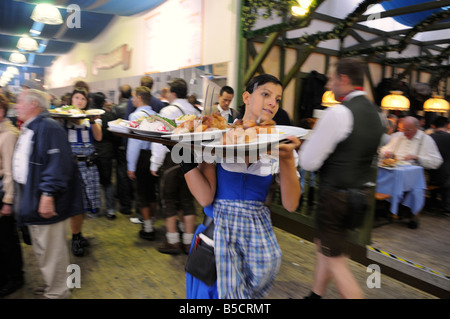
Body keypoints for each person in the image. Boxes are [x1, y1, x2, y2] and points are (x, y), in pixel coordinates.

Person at [183, 74, 301, 299]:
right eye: (265, 94)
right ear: (246, 97)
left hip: (255, 246)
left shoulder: (281, 143)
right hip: (214, 243)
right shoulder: (218, 136)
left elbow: (291, 204)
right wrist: (183, 159)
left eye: (277, 99)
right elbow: (205, 198)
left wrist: (286, 160)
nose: (272, 103)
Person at [299, 58, 384, 299]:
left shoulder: (338, 114)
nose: (328, 84)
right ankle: (315, 295)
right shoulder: (376, 114)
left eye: (331, 79)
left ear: (343, 79)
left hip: (336, 196)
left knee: (335, 259)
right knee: (328, 249)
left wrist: (304, 147)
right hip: (361, 195)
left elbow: (308, 162)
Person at [12, 89, 84, 299]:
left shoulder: (48, 127)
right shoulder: (33, 127)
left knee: (52, 250)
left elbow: (57, 165)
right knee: (43, 248)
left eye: (19, 102)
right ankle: (53, 284)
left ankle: (58, 293)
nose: (16, 106)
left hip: (45, 198)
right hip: (33, 196)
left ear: (33, 104)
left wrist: (48, 194)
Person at [150, 78, 201, 254]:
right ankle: (188, 242)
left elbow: (159, 138)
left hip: (172, 159)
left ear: (172, 93)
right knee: (187, 199)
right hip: (191, 159)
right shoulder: (195, 111)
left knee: (169, 199)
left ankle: (173, 241)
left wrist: (155, 163)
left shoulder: (167, 111)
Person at [62, 87, 102, 256]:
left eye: (82, 99)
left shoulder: (92, 118)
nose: (79, 101)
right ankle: (76, 237)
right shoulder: (63, 119)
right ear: (71, 100)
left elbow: (99, 137)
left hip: (88, 165)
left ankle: (78, 233)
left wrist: (92, 120)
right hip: (72, 166)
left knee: (85, 204)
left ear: (87, 102)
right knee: (76, 204)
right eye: (76, 98)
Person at [127, 86, 159, 240]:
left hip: (140, 158)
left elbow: (134, 144)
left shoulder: (135, 116)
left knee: (142, 193)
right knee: (152, 192)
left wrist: (130, 166)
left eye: (134, 97)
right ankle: (151, 222)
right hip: (153, 157)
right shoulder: (155, 115)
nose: (132, 100)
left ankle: (147, 229)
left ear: (139, 98)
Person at [0, 93, 23, 297]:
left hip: (3, 194)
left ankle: (15, 277)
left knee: (6, 239)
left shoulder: (8, 134)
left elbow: (9, 171)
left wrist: (7, 201)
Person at [92, 92, 120, 220]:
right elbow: (115, 134)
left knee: (95, 182)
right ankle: (111, 209)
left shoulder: (89, 115)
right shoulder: (109, 115)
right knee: (108, 182)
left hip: (93, 151)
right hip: (107, 152)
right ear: (104, 102)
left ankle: (95, 209)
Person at [113, 84, 135, 216]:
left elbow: (114, 129)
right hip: (134, 144)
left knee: (122, 176)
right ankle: (133, 201)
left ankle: (125, 205)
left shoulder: (116, 108)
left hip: (121, 146)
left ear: (120, 94)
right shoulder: (135, 107)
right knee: (132, 174)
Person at [429, 116, 450, 215]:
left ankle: (432, 204)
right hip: (446, 173)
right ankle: (447, 207)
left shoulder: (429, 137)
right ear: (446, 125)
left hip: (431, 172)